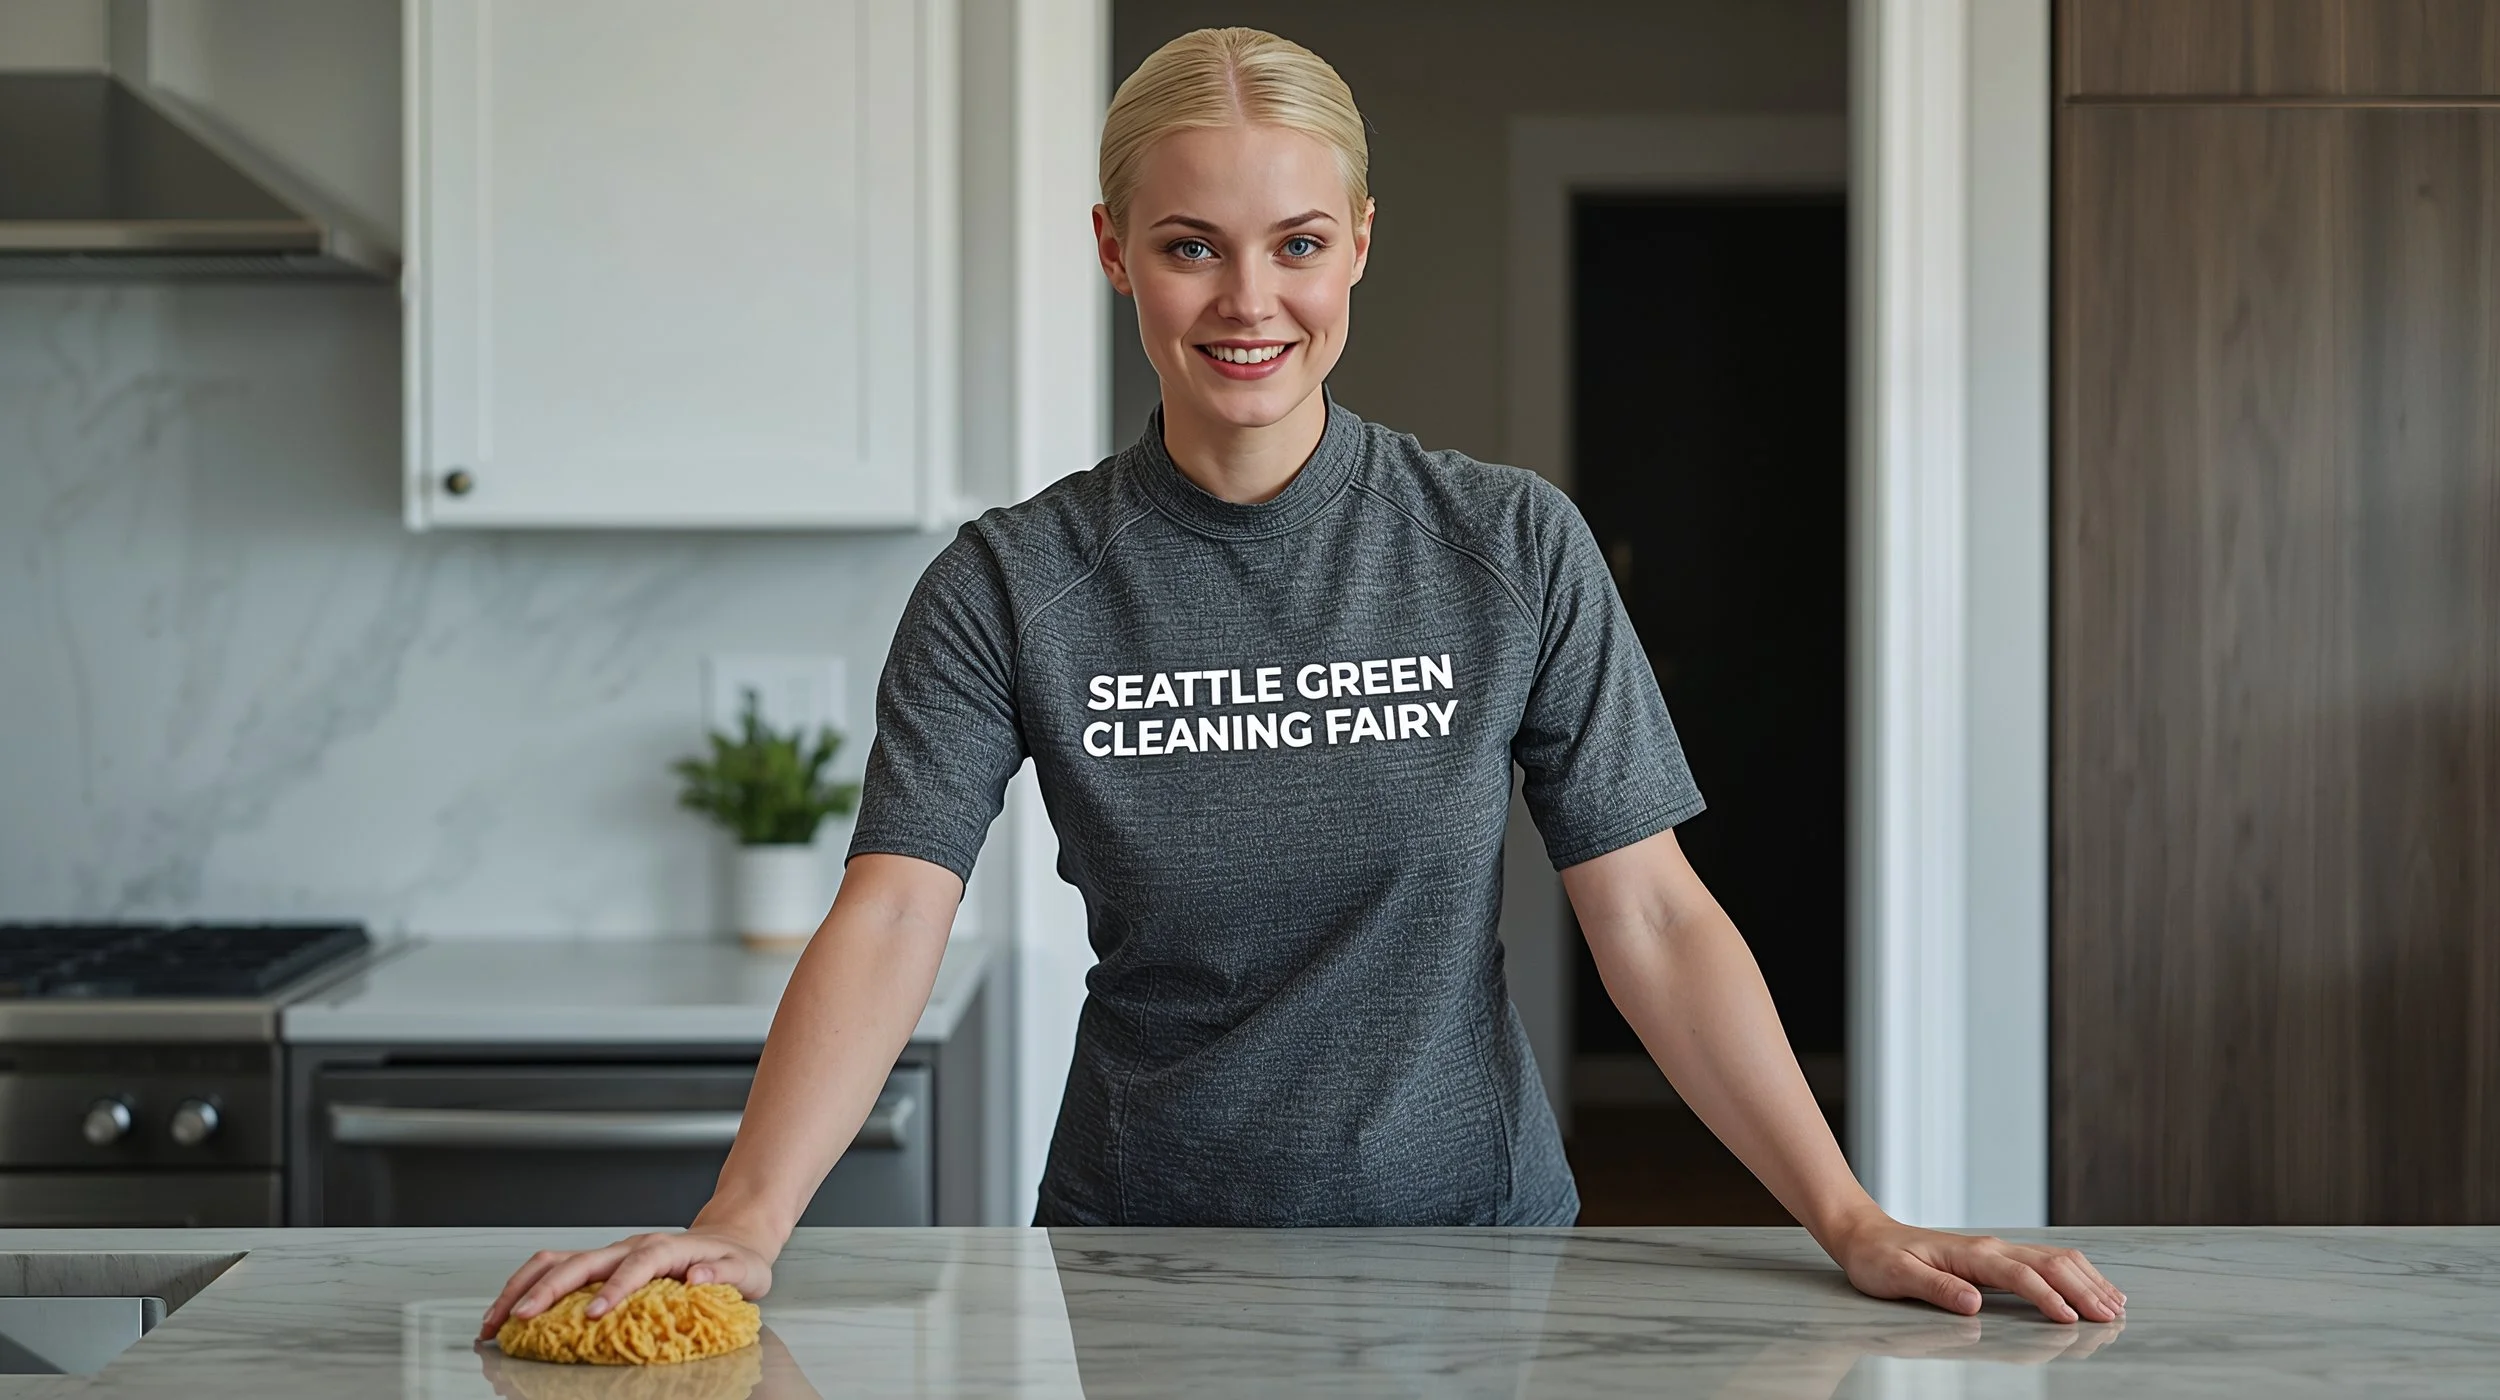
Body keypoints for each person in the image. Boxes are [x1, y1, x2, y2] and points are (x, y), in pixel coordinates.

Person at [481, 26, 2124, 1341]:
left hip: (1477, 1259)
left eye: (1298, 244)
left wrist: (1850, 1216)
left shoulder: (1507, 547)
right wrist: (742, 1222)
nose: (1249, 301)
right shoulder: (1009, 584)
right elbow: (896, 911)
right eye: (1192, 246)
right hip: (1138, 1266)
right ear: (1116, 252)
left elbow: (1653, 917)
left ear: (1359, 249)